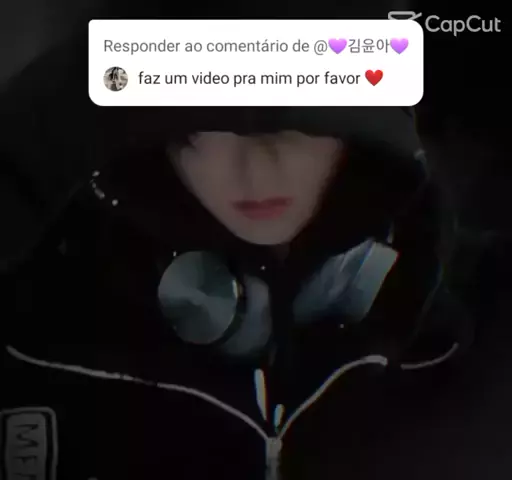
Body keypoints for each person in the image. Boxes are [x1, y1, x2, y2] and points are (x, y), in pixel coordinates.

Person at [0, 34, 474, 480]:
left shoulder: (478, 334)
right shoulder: (36, 335)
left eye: (300, 118)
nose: (256, 169)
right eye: (203, 125)